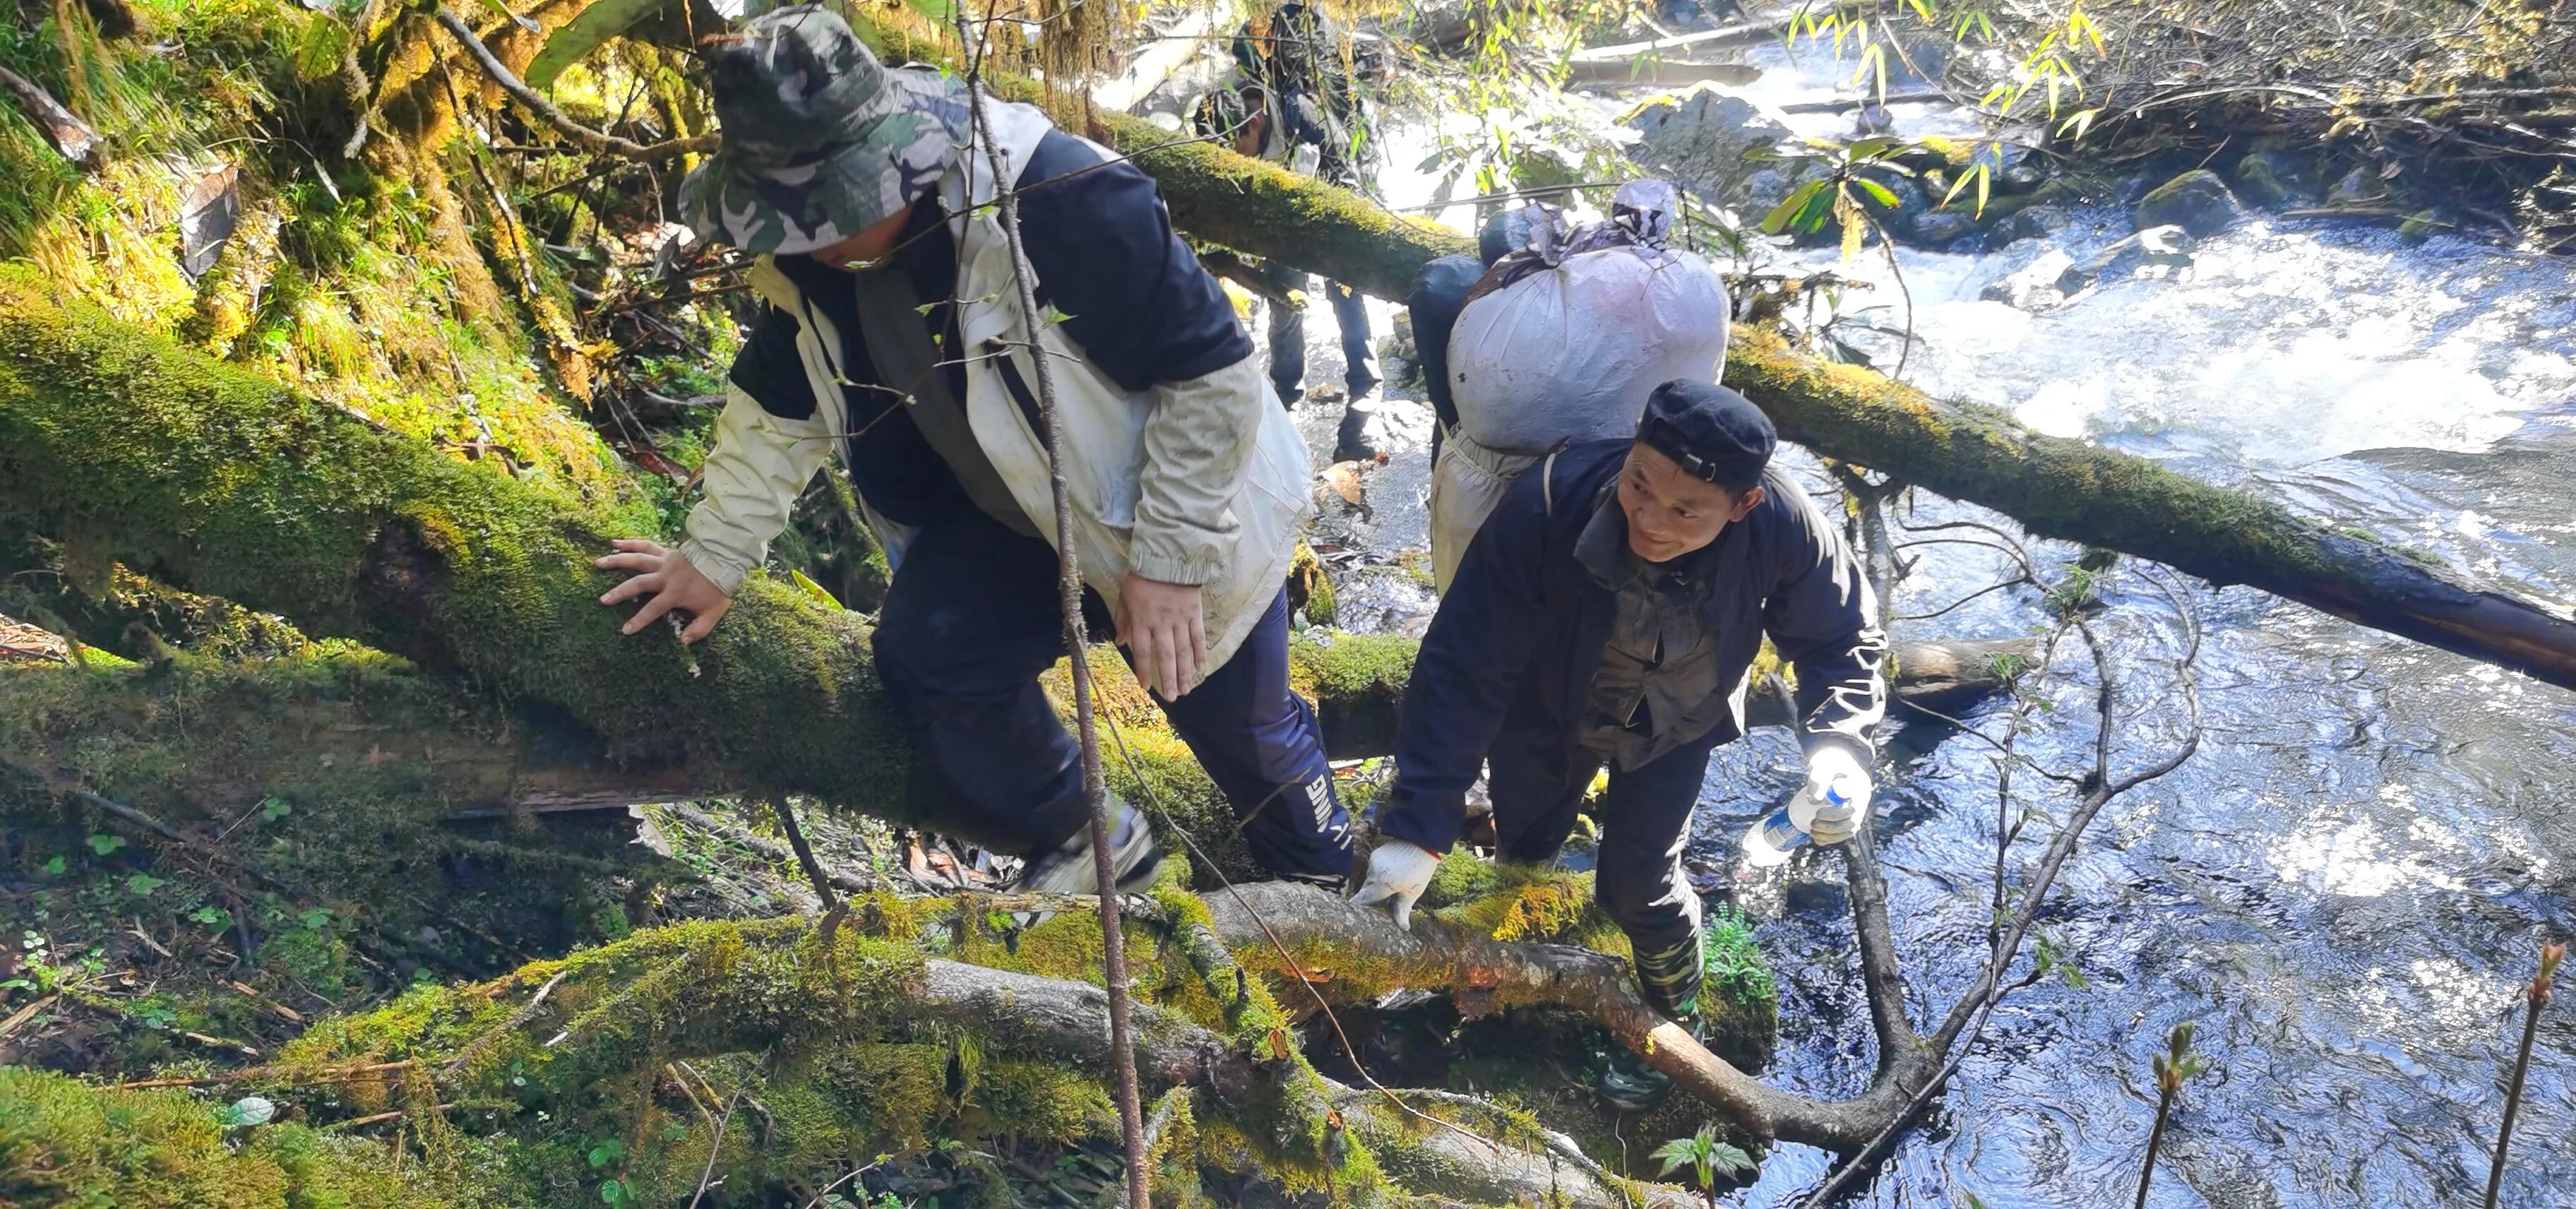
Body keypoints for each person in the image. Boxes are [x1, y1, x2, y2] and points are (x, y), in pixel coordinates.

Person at [592, 5, 1352, 895]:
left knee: (1241, 725)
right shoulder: (802, 258)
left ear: (897, 166)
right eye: (794, 218)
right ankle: (1100, 848)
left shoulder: (1056, 199)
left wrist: (1172, 557)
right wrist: (713, 556)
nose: (815, 238)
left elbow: (1212, 374)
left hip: (1177, 495)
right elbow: (780, 398)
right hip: (1005, 511)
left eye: (831, 212)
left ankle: (1328, 896)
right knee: (929, 654)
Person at [1350, 381, 1887, 1032]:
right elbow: (1466, 660)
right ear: (1632, 449)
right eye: (1640, 486)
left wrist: (1841, 746)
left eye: (1687, 512)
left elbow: (1843, 637)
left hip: (1679, 720)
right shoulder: (1554, 498)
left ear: (1743, 503)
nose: (1652, 523)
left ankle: (1677, 1019)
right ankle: (1514, 986)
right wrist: (1419, 828)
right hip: (1548, 709)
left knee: (1640, 886)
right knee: (1525, 845)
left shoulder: (1783, 525)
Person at [1406, 183, 1731, 591]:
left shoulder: (1578, 268)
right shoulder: (1695, 284)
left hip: (1489, 455)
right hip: (1610, 467)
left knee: (1452, 274)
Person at [1195, 1, 1376, 407]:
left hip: (1328, 200)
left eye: (1238, 146)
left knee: (1345, 291)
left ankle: (1366, 384)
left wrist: (1340, 226)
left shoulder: (1304, 115)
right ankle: (1286, 389)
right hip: (1280, 212)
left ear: (1256, 123)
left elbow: (1344, 167)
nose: (1236, 157)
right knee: (1283, 297)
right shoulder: (1215, 114)